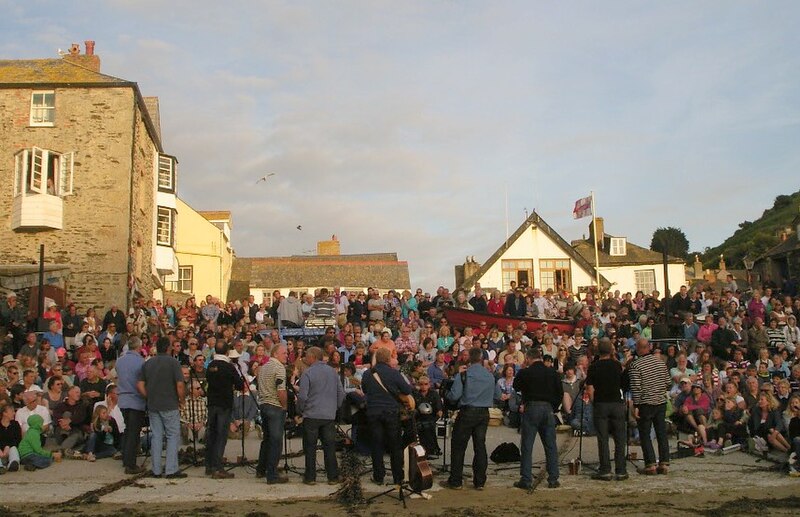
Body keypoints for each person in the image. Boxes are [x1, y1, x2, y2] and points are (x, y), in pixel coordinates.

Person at [442, 347, 495, 490]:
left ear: (469, 358)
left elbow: (454, 396)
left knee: (458, 446)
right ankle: (480, 482)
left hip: (467, 412)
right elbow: (497, 395)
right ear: (482, 358)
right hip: (484, 413)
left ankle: (456, 481)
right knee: (480, 446)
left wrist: (446, 393)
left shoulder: (464, 375)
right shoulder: (490, 375)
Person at [361, 346, 413, 485]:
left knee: (376, 445)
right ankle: (398, 477)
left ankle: (379, 476)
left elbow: (364, 389)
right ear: (389, 359)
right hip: (391, 412)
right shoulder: (394, 373)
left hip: (373, 412)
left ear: (376, 359)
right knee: (395, 446)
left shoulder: (368, 374)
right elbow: (407, 389)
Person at [512, 348, 562, 490]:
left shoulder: (525, 372)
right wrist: (553, 407)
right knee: (550, 444)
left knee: (527, 445)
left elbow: (516, 386)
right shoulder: (552, 372)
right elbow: (560, 392)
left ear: (528, 358)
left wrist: (522, 370)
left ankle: (526, 479)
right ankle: (553, 478)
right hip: (547, 408)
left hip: (531, 407)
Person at [138, 337, 186, 479]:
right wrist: (181, 400)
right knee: (172, 436)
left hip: (153, 404)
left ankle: (156, 469)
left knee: (156, 436)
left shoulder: (148, 363)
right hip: (169, 403)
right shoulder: (173, 363)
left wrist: (148, 396)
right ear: (168, 348)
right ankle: (171, 469)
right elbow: (180, 385)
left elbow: (140, 384)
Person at [296, 346, 345, 485]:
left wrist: (300, 411)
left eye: (306, 356)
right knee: (329, 446)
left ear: (312, 357)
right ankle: (333, 476)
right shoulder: (333, 372)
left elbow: (303, 396)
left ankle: (310, 477)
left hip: (311, 414)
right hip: (328, 415)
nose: (305, 358)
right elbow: (341, 393)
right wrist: (335, 407)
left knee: (310, 447)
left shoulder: (307, 373)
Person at [627, 338, 671, 475]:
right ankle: (664, 463)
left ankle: (650, 464)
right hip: (660, 402)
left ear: (639, 349)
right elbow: (668, 383)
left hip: (645, 403)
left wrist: (636, 405)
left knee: (645, 434)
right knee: (661, 433)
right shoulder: (660, 363)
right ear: (649, 347)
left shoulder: (636, 365)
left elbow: (636, 387)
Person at [586, 338, 628, 481]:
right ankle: (621, 470)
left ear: (598, 351)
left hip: (601, 404)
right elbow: (624, 384)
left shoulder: (593, 367)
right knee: (620, 438)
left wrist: (594, 403)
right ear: (611, 350)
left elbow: (590, 389)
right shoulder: (617, 366)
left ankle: (605, 470)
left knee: (603, 438)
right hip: (616, 403)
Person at [204, 340, 245, 479]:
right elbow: (240, 384)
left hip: (212, 403)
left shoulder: (210, 366)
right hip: (224, 403)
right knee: (221, 435)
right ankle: (217, 467)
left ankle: (209, 465)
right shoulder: (229, 367)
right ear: (227, 351)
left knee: (212, 433)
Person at [256, 344, 289, 484]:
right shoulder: (279, 368)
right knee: (276, 441)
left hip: (263, 405)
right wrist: (285, 406)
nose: (287, 355)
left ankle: (261, 469)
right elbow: (281, 391)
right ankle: (272, 474)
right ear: (275, 354)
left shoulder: (263, 368)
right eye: (284, 353)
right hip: (275, 406)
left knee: (267, 439)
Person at [115, 337, 146, 474]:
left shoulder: (119, 361)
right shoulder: (140, 362)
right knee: (134, 433)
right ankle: (131, 464)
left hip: (123, 398)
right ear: (139, 347)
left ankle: (126, 459)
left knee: (128, 430)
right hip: (135, 399)